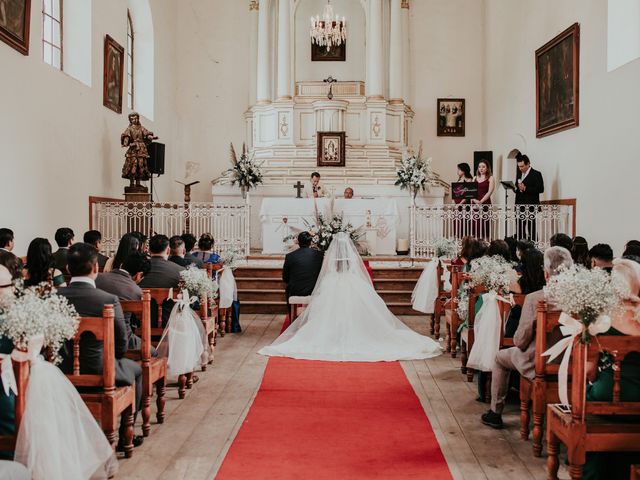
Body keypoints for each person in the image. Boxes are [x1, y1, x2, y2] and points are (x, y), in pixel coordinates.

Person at [259, 232, 443, 361]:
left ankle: (330, 334)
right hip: (350, 281)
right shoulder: (332, 261)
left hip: (331, 282)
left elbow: (325, 272)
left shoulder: (327, 270)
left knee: (326, 306)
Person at [57, 243, 144, 450]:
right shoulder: (107, 300)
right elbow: (122, 344)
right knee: (137, 371)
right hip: (100, 370)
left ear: (68, 269)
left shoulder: (54, 298)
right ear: (96, 268)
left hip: (62, 370)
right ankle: (125, 434)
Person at [481, 246, 573, 429]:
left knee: (500, 358)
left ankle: (495, 412)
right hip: (570, 363)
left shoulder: (535, 299)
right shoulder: (579, 298)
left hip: (536, 362)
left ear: (546, 273)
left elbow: (520, 341)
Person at [96, 251, 151, 350]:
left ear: (121, 265)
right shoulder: (136, 291)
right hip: (123, 339)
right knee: (154, 352)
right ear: (139, 275)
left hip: (95, 336)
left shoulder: (97, 278)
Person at [139, 235, 185, 327]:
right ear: (168, 250)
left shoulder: (137, 270)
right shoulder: (180, 271)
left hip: (142, 323)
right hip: (169, 323)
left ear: (149, 250)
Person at [282, 232, 324, 302]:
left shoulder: (290, 256)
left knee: (288, 288)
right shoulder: (319, 255)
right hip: (313, 289)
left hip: (296, 290)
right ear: (310, 242)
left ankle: (292, 312)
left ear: (298, 242)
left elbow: (285, 278)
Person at [121, 112, 157, 191]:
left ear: (138, 118)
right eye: (132, 119)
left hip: (141, 149)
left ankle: (138, 183)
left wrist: (151, 137)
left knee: (141, 166)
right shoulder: (129, 128)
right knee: (133, 165)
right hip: (133, 149)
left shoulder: (141, 128)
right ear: (130, 120)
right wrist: (125, 142)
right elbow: (126, 136)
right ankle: (131, 183)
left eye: (135, 118)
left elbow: (147, 134)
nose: (134, 120)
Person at [514, 154, 544, 241]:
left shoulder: (536, 174)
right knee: (519, 228)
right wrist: (516, 188)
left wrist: (525, 188)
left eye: (522, 166)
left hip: (531, 205)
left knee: (532, 227)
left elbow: (540, 189)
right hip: (519, 205)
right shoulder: (519, 173)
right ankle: (520, 247)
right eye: (519, 166)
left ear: (528, 164)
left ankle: (534, 247)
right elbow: (518, 187)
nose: (520, 168)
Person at [472, 160, 495, 239]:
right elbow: (470, 191)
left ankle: (486, 243)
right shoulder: (474, 178)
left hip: (485, 204)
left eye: (483, 167)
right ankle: (476, 243)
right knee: (476, 225)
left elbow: (490, 192)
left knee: (485, 225)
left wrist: (481, 201)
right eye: (479, 167)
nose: (481, 168)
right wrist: (475, 201)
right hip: (475, 204)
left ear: (487, 168)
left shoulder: (490, 178)